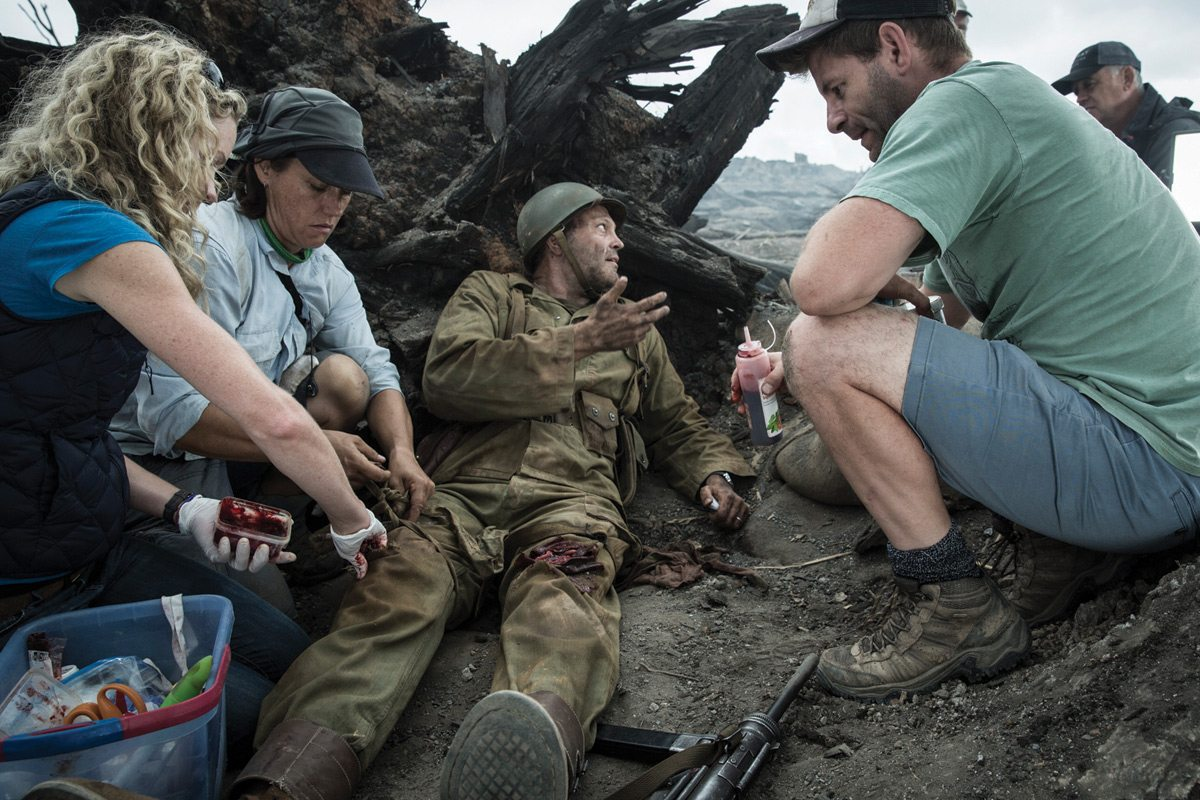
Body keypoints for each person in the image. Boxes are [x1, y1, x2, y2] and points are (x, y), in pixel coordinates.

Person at [228, 182, 754, 800]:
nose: (618, 243)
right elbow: (449, 379)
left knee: (562, 604)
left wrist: (710, 477)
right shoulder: (490, 294)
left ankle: (528, 761)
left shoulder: (634, 330)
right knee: (393, 599)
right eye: (602, 228)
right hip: (458, 500)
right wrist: (579, 343)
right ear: (556, 239)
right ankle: (289, 779)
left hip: (571, 502)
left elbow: (675, 423)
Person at [754, 0, 1200, 702]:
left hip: (1149, 466)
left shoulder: (964, 103)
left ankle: (955, 607)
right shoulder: (1002, 102)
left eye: (836, 89)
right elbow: (944, 317)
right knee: (841, 352)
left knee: (820, 342)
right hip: (1163, 452)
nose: (833, 121)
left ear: (895, 48)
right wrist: (879, 325)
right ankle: (1068, 547)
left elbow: (819, 287)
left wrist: (819, 357)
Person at [0, 25, 388, 758]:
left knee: (290, 655)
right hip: (27, 586)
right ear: (151, 141)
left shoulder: (55, 217)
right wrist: (350, 519)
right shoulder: (92, 236)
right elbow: (273, 418)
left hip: (88, 544)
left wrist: (186, 507)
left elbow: (57, 434)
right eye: (207, 162)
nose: (212, 188)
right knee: (250, 720)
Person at [109, 86, 432, 600]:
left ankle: (282, 517)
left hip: (251, 442)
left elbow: (377, 368)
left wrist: (402, 450)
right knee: (270, 617)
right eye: (317, 186)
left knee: (347, 380)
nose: (333, 208)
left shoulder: (326, 269)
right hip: (163, 457)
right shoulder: (210, 245)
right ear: (264, 168)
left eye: (345, 193)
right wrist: (318, 448)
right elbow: (173, 416)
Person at [1052, 41, 1200, 188]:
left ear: (1127, 78)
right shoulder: (1102, 143)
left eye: (1089, 84)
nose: (1080, 98)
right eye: (1076, 91)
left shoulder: (1180, 134)